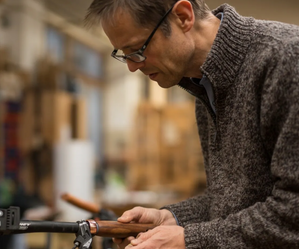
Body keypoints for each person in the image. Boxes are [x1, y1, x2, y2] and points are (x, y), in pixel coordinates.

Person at [84, 0, 299, 248]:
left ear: (183, 17)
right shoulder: (205, 86)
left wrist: (189, 240)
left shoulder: (286, 59)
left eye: (137, 49)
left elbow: (293, 208)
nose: (133, 66)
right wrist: (171, 218)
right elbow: (236, 201)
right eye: (124, 55)